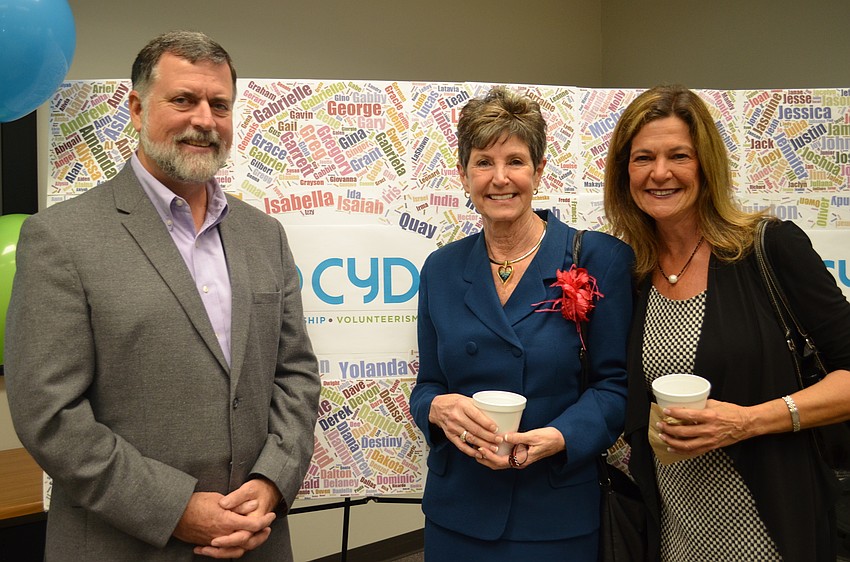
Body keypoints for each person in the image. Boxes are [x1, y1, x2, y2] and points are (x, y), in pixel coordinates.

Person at [5, 31, 321, 561]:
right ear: (136, 108)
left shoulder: (264, 235)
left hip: (257, 540)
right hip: (124, 544)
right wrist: (175, 508)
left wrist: (272, 481)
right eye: (183, 100)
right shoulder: (61, 238)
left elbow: (295, 374)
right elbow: (50, 416)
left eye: (220, 104)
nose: (204, 119)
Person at [603, 84, 850, 561]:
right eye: (642, 158)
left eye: (679, 155)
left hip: (771, 529)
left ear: (706, 165)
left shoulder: (769, 247)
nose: (660, 173)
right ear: (624, 171)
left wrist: (748, 421)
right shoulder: (629, 271)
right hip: (673, 533)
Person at [408, 86, 635, 560]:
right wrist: (437, 409)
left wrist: (559, 437)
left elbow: (616, 387)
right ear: (463, 173)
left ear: (539, 170)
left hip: (557, 508)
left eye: (514, 161)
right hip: (460, 511)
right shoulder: (441, 269)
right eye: (483, 162)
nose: (499, 178)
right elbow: (428, 384)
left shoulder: (601, 258)